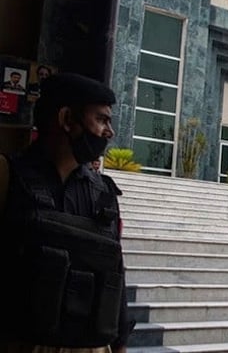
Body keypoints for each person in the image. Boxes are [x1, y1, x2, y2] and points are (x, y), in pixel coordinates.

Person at [0, 73, 130, 352]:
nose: (110, 132)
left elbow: (116, 272)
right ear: (67, 119)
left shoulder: (104, 193)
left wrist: (120, 344)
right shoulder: (8, 176)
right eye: (102, 119)